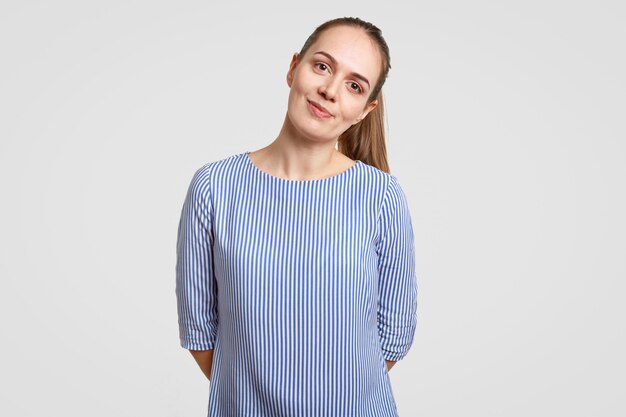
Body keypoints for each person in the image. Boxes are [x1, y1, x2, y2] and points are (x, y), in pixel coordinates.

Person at [175, 16, 417, 416]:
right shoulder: (214, 187)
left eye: (354, 85)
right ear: (293, 68)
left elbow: (393, 335)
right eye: (322, 66)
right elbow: (200, 329)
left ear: (364, 109)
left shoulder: (381, 197)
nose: (329, 90)